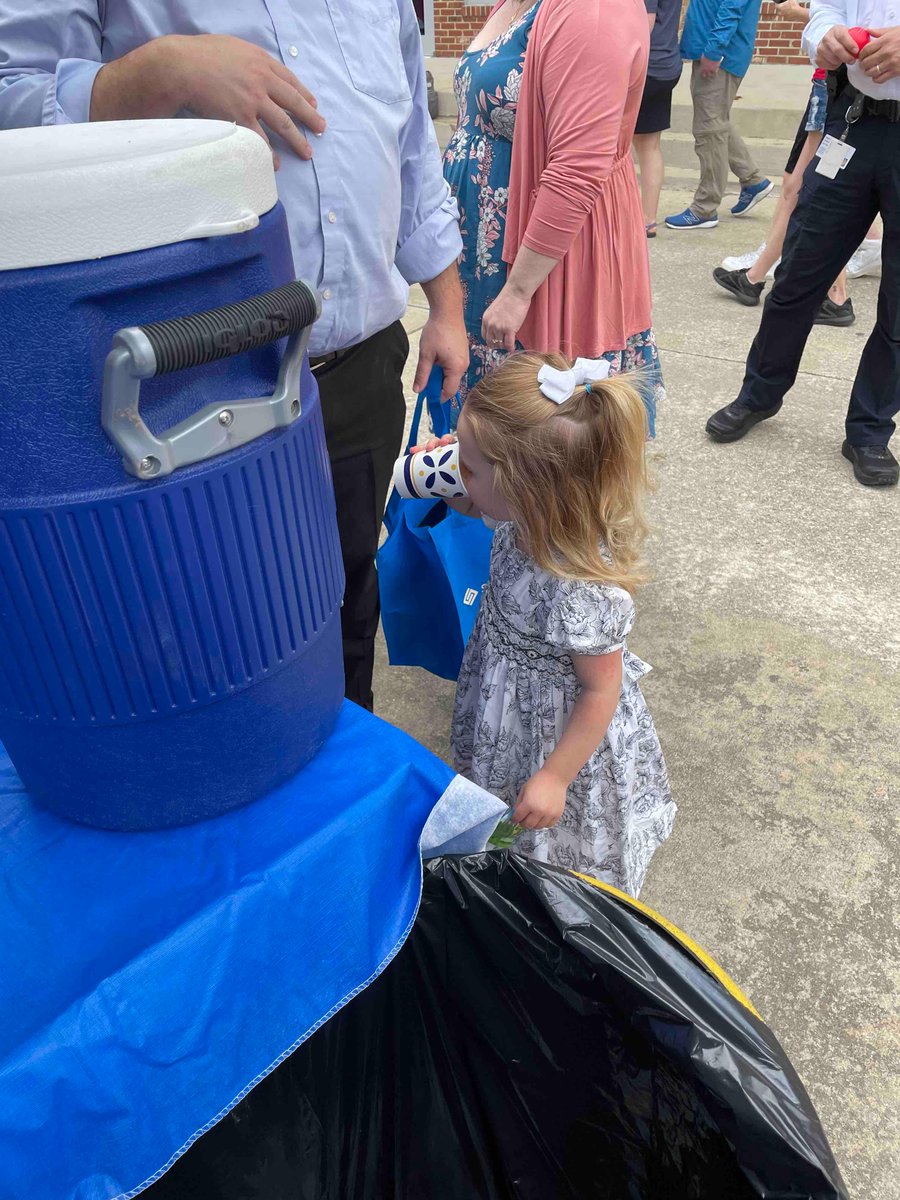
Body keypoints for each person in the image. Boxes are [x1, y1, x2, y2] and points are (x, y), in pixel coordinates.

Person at [0, 0, 469, 710]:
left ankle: (335, 775)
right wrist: (156, 74)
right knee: (198, 637)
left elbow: (408, 145)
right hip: (184, 390)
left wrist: (447, 302)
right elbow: (12, 100)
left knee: (346, 597)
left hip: (361, 367)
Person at [419, 353, 675, 896]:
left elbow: (600, 690)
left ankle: (556, 889)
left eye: (470, 466)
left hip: (556, 733)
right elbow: (475, 503)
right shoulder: (523, 515)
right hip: (507, 700)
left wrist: (556, 776)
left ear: (528, 490)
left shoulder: (579, 586)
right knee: (500, 791)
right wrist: (435, 476)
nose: (459, 472)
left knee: (551, 834)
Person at [442, 0, 665, 436]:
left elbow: (578, 167)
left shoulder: (593, 9)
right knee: (491, 452)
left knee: (540, 441)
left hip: (543, 257)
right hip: (488, 248)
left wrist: (519, 290)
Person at [706, 5, 900, 488]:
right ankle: (760, 393)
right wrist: (826, 37)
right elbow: (822, 14)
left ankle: (869, 430)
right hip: (854, 119)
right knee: (797, 273)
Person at [712, 0, 854, 326]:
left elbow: (844, 28)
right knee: (800, 187)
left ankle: (827, 293)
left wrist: (798, 14)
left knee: (806, 189)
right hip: (828, 88)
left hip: (835, 91)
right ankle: (759, 278)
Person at [666, 0, 773, 229]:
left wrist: (714, 50)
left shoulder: (716, 51)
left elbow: (731, 8)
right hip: (710, 50)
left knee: (708, 131)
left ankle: (704, 208)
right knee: (716, 122)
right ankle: (753, 181)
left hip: (719, 55)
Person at [634, 0, 684, 237]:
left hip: (644, 67)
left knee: (617, 146)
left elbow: (645, 23)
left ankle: (623, 215)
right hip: (666, 64)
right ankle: (648, 219)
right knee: (650, 145)